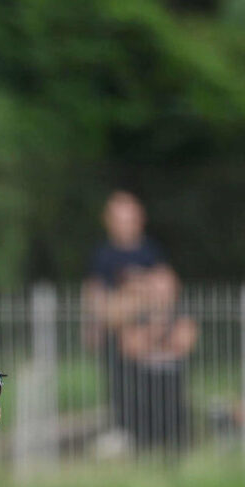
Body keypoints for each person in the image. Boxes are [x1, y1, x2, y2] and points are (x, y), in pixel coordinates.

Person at [82, 191, 175, 441]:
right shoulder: (102, 255)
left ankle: (155, 431)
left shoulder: (150, 251)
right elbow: (96, 297)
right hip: (116, 334)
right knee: (121, 388)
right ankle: (126, 431)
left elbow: (166, 288)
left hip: (148, 329)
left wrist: (138, 300)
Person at [114, 265, 197, 452]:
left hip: (174, 399)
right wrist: (161, 334)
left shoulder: (183, 315)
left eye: (166, 290)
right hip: (142, 398)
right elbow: (130, 347)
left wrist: (149, 338)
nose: (161, 295)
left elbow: (184, 343)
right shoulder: (136, 317)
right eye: (157, 290)